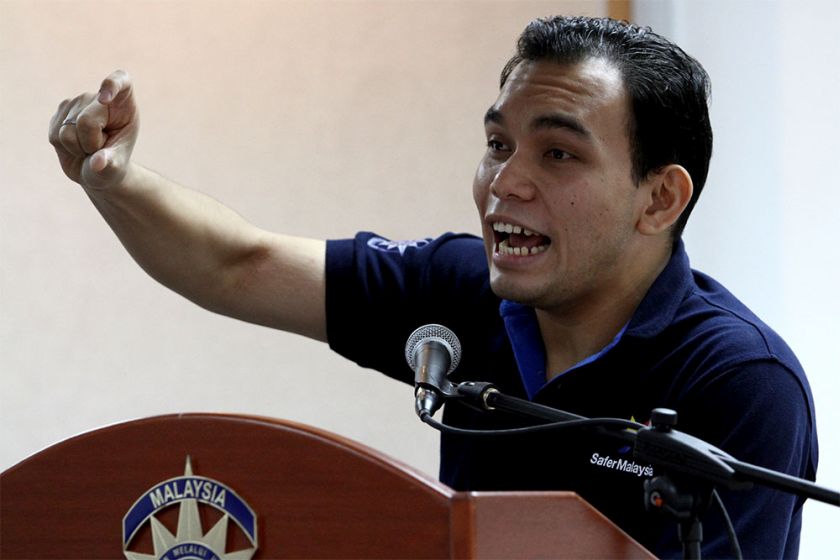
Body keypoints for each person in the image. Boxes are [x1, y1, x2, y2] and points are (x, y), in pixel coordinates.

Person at [49, 15, 816, 558]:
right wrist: (114, 181)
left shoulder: (739, 380)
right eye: (496, 144)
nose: (503, 183)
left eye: (557, 154)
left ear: (659, 198)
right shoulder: (457, 292)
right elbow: (237, 264)